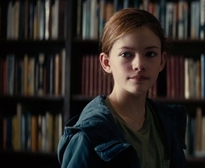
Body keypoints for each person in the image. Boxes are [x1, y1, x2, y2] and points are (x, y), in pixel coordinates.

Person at [57, 8, 187, 168]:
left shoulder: (167, 123)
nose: (139, 65)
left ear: (162, 61)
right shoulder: (89, 134)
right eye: (126, 54)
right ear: (106, 62)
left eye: (150, 54)